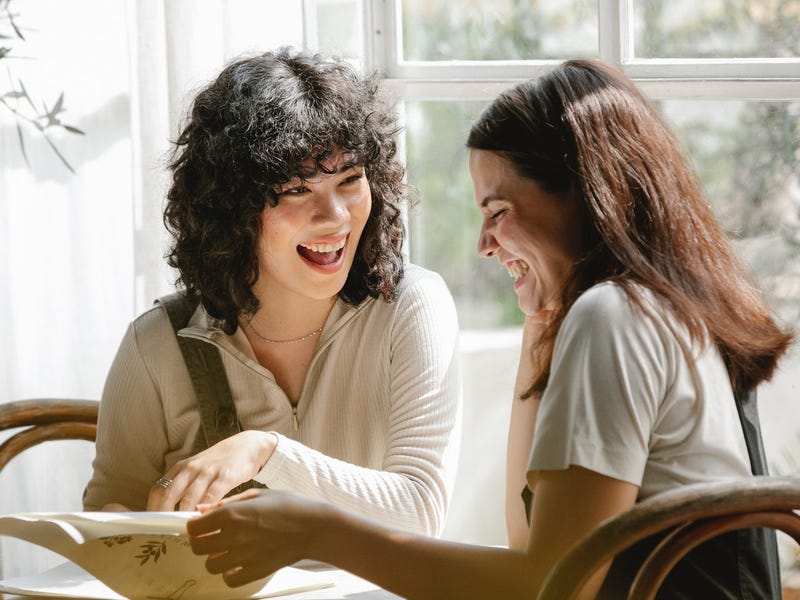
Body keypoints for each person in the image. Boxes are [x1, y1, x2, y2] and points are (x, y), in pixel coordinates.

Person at [186, 58, 793, 598]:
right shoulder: (652, 308)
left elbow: (551, 585)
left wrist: (319, 531)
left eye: (497, 212)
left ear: (586, 196)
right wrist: (540, 328)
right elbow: (527, 540)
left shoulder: (615, 317)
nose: (482, 245)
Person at [82, 47, 462, 538]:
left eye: (350, 180)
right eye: (296, 190)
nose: (337, 217)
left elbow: (421, 513)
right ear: (230, 210)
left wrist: (266, 453)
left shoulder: (412, 306)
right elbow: (106, 514)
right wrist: (130, 526)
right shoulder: (157, 344)